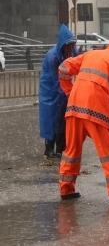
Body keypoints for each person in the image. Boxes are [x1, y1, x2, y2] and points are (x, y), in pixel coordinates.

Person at [57, 36, 109, 203]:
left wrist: (69, 91)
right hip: (98, 109)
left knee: (71, 151)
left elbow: (63, 68)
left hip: (74, 107)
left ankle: (66, 189)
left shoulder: (92, 54)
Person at [39, 25, 78, 159]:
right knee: (50, 120)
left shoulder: (71, 52)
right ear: (63, 44)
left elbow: (79, 61)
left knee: (63, 121)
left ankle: (61, 149)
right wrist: (68, 93)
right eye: (69, 45)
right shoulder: (52, 57)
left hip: (63, 90)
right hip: (50, 91)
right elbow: (54, 79)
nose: (71, 48)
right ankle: (49, 149)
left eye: (73, 45)